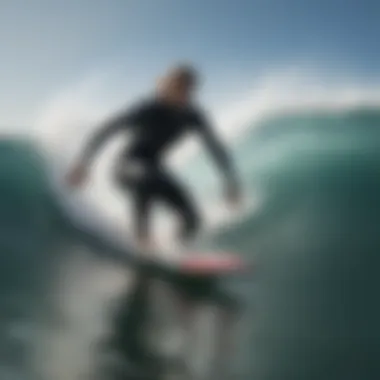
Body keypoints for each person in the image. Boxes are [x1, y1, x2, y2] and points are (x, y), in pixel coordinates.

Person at [66, 63, 242, 251]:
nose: (183, 93)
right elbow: (107, 129)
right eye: (178, 86)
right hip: (126, 168)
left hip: (155, 169)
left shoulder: (193, 116)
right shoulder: (148, 108)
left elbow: (214, 147)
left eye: (188, 88)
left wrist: (230, 180)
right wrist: (83, 163)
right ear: (168, 86)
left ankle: (181, 248)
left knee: (193, 219)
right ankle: (142, 238)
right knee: (146, 177)